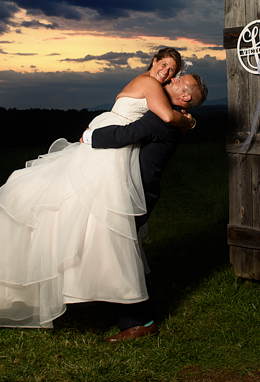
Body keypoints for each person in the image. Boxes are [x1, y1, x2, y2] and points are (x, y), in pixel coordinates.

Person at [0, 48, 194, 329]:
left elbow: (163, 119)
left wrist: (189, 118)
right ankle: (126, 310)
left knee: (93, 222)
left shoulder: (156, 92)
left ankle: (122, 308)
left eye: (174, 72)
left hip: (115, 147)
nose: (167, 74)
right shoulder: (149, 83)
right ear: (154, 61)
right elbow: (166, 118)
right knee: (93, 220)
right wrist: (190, 120)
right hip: (110, 146)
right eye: (165, 65)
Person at [83, 71, 208, 341]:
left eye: (178, 81)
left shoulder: (163, 121)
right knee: (113, 248)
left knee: (120, 252)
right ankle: (114, 302)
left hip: (134, 193)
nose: (172, 79)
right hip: (135, 190)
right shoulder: (172, 117)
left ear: (185, 97)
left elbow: (125, 134)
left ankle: (141, 322)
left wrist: (89, 137)